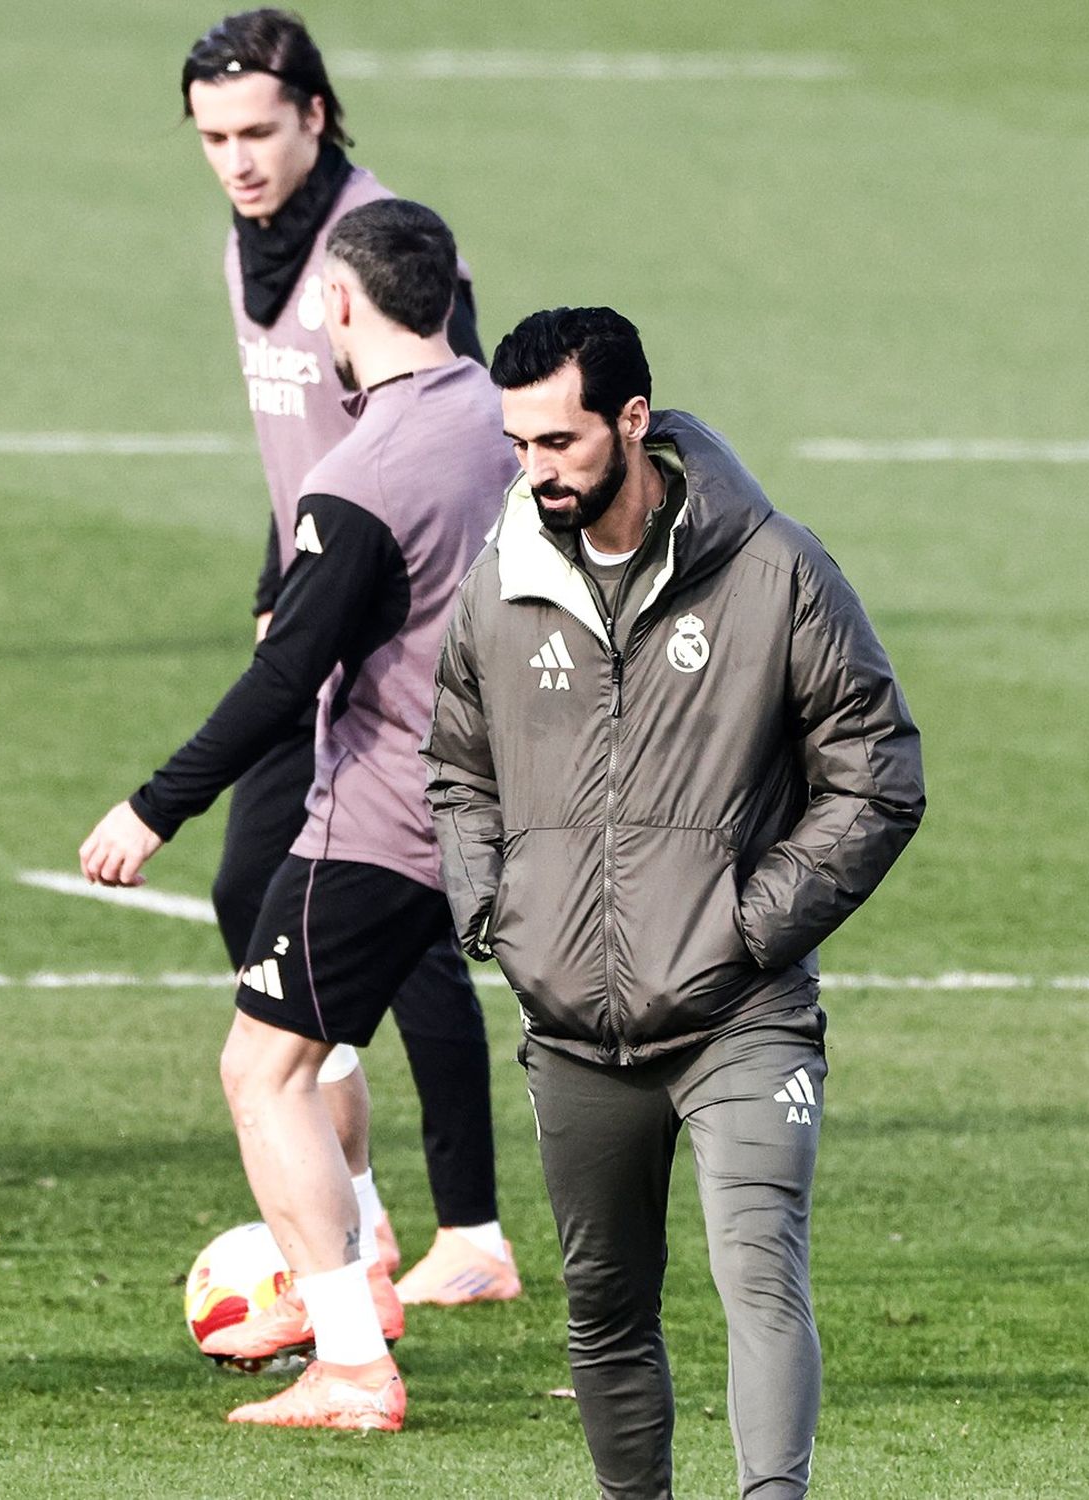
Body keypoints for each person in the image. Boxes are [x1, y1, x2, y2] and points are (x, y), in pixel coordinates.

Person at [422, 307, 926, 1495]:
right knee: (602, 1310)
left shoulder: (775, 571)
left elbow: (879, 772)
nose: (535, 469)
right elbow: (457, 763)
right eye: (519, 445)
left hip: (740, 1018)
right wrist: (493, 906)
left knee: (759, 1272)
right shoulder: (501, 585)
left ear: (633, 421)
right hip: (573, 1030)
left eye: (560, 441)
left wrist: (753, 927)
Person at [80, 199, 520, 1428]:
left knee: (260, 1072)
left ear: (339, 304)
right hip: (494, 808)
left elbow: (286, 678)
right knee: (311, 1050)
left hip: (378, 818)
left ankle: (351, 1362)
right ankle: (379, 1269)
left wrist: (154, 806)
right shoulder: (505, 423)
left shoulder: (359, 475)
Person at [179, 7, 517, 1305]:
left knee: (400, 914)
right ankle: (365, 1216)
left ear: (317, 115)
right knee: (250, 890)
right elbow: (295, 463)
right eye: (215, 137)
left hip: (398, 629)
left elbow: (466, 431)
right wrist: (282, 588)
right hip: (315, 611)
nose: (239, 159)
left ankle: (470, 1237)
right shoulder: (245, 248)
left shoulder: (381, 250)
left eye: (260, 130)